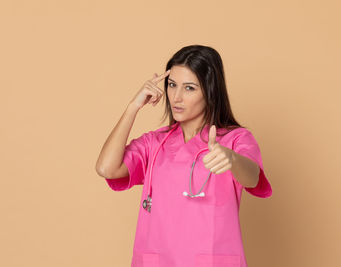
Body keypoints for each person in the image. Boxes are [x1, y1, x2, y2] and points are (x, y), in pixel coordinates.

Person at [95, 44, 272, 267]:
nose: (176, 97)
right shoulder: (155, 143)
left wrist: (232, 159)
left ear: (210, 91)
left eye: (189, 88)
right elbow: (106, 168)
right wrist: (133, 107)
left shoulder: (235, 139)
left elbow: (253, 177)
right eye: (172, 85)